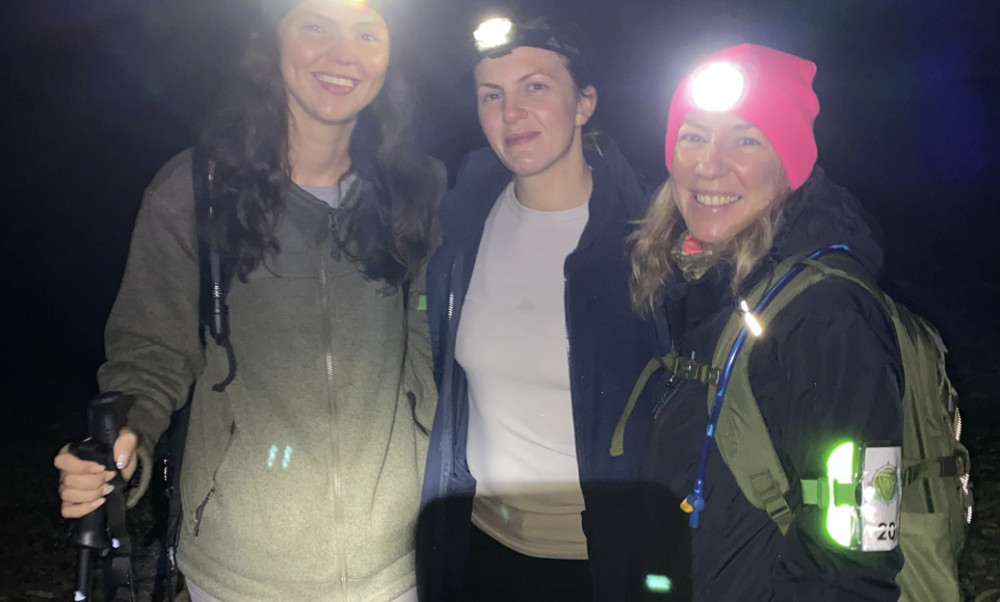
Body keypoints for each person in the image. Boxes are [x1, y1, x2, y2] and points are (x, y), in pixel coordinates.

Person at [53, 0, 444, 600]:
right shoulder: (193, 191)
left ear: (389, 58)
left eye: (367, 32)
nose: (343, 53)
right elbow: (151, 354)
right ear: (273, 41)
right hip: (237, 573)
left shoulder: (419, 193)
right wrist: (123, 443)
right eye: (316, 24)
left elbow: (429, 349)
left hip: (397, 566)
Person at [626, 44, 904, 599]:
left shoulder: (824, 314)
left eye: (745, 138)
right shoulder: (693, 287)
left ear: (791, 162)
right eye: (694, 135)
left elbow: (854, 559)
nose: (709, 164)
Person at [417, 14, 672, 602]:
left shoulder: (650, 238)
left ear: (584, 103)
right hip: (478, 547)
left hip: (604, 563)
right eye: (492, 95)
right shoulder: (459, 226)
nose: (511, 114)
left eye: (535, 86)